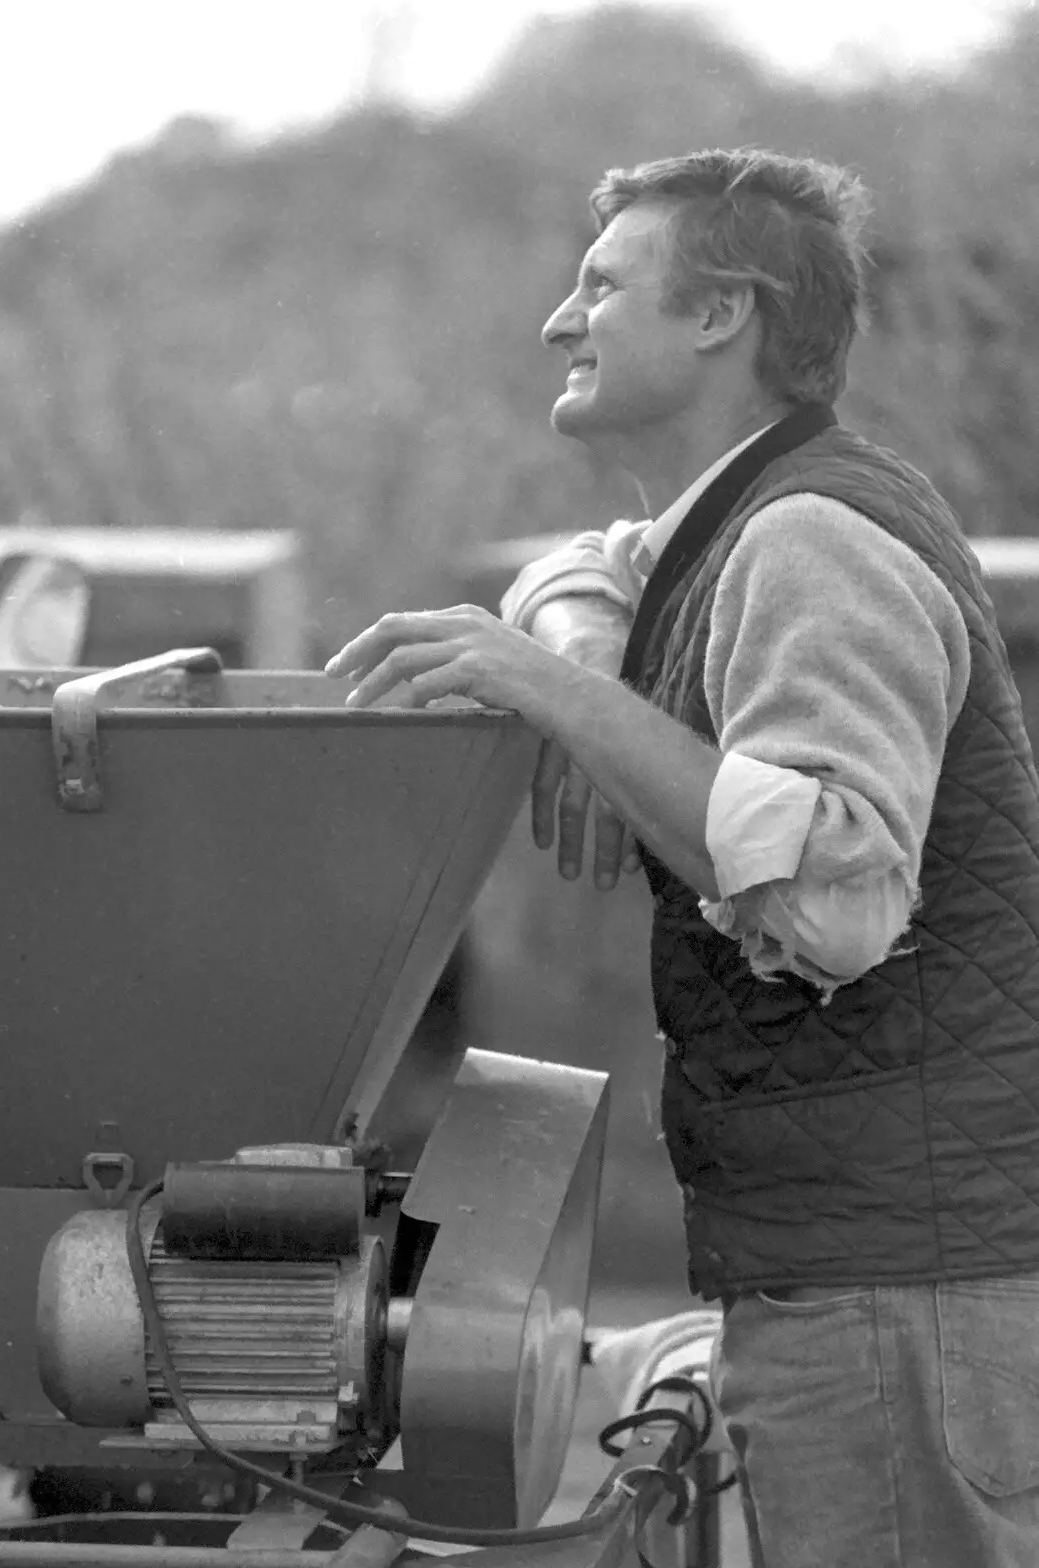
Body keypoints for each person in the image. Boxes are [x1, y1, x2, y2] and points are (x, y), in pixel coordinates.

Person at [327, 148, 1039, 1567]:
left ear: (720, 316)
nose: (557, 318)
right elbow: (571, 575)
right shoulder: (739, 518)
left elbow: (835, 897)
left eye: (601, 284)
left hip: (899, 1286)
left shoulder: (808, 539)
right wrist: (599, 687)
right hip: (859, 1266)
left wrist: (557, 699)